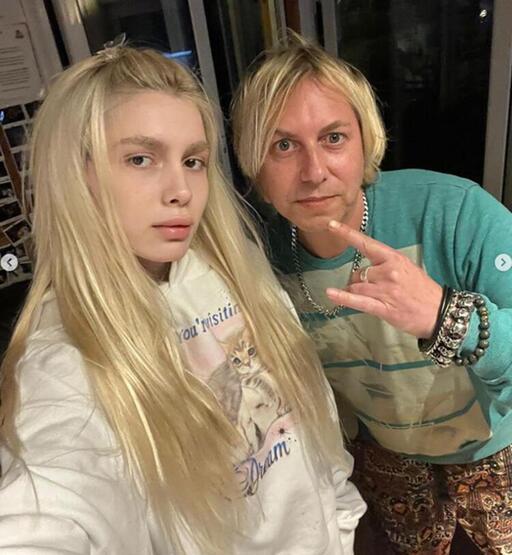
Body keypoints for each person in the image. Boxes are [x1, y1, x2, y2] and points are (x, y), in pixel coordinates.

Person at [0, 46, 366, 554]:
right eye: (140, 159)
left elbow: (312, 423)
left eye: (193, 161)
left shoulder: (233, 265)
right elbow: (49, 509)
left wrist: (341, 522)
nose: (181, 191)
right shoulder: (65, 359)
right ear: (76, 173)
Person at [232, 33, 512, 554]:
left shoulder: (452, 212)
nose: (314, 172)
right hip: (385, 455)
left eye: (334, 138)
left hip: (491, 447)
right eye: (283, 145)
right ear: (254, 163)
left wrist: (446, 316)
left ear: (366, 141)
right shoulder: (257, 259)